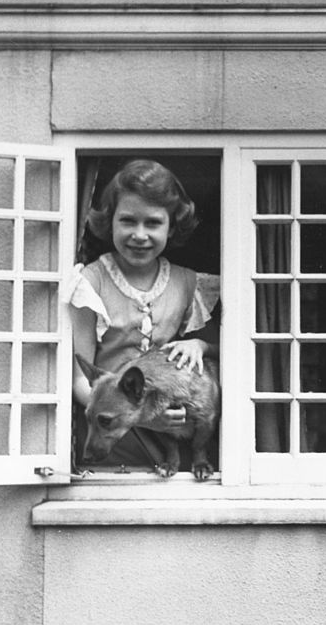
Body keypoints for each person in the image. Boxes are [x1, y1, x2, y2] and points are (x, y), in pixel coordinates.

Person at [66, 159, 219, 468]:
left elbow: (226, 350)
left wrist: (200, 345)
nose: (139, 234)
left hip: (174, 433)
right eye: (127, 221)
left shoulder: (188, 283)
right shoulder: (90, 282)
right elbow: (78, 380)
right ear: (110, 222)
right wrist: (147, 420)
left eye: (152, 223)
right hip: (112, 436)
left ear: (171, 226)